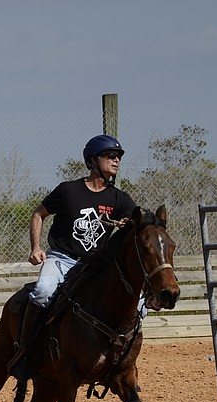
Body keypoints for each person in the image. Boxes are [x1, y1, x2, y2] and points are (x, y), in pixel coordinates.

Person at [8, 135, 137, 381]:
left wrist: (129, 223)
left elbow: (137, 224)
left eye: (118, 156)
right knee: (43, 291)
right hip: (61, 259)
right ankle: (25, 354)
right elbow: (38, 214)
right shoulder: (69, 190)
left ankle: (122, 364)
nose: (117, 160)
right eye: (111, 155)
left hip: (96, 267)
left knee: (138, 303)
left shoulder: (119, 199)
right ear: (93, 160)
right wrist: (36, 247)